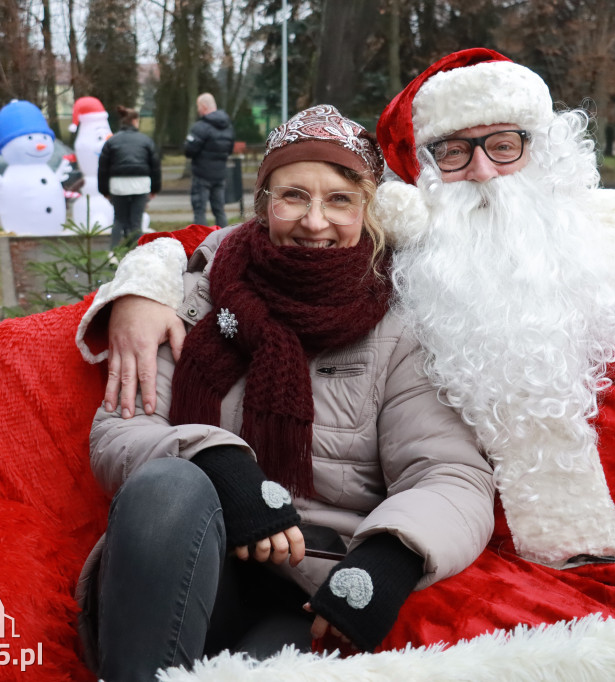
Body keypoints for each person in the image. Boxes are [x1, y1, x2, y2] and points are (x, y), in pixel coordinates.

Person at [78, 49, 615, 652]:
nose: (483, 171)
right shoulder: (414, 272)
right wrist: (143, 284)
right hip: (498, 576)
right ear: (417, 180)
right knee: (428, 638)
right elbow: (212, 255)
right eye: (454, 152)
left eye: (503, 145)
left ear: (542, 152)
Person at [77, 104, 495, 681]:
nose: (315, 222)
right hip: (189, 559)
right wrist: (222, 465)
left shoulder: (401, 323)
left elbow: (449, 473)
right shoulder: (193, 301)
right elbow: (121, 430)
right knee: (168, 483)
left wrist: (391, 557)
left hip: (313, 586)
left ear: (370, 210)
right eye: (294, 195)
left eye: (340, 200)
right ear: (263, 204)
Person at [98, 105, 161, 249]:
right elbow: (155, 167)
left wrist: (104, 191)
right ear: (134, 121)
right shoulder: (146, 141)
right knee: (136, 223)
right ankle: (136, 254)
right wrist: (154, 189)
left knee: (119, 220)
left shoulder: (111, 142)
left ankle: (113, 254)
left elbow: (103, 169)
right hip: (141, 185)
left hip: (117, 186)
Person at [185, 93, 235, 227]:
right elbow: (229, 149)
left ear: (203, 106)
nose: (198, 110)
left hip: (202, 175)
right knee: (219, 210)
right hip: (220, 175)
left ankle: (201, 242)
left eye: (198, 107)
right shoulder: (228, 127)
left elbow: (189, 150)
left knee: (199, 210)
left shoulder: (200, 127)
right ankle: (224, 241)